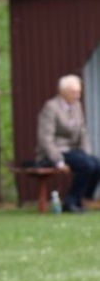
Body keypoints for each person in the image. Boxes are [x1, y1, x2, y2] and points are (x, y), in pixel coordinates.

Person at [36, 74, 100, 213]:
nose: (77, 96)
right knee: (87, 165)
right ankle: (70, 202)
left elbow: (83, 132)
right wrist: (58, 161)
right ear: (63, 92)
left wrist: (86, 152)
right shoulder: (51, 108)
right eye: (74, 92)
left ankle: (81, 198)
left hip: (73, 151)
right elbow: (45, 138)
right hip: (55, 152)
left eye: (79, 92)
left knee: (95, 163)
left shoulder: (77, 106)